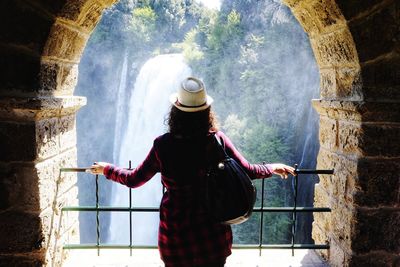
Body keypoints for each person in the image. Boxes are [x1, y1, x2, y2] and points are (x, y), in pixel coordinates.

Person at [89, 77, 295, 267]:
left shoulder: (163, 145)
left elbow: (134, 179)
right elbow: (247, 170)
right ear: (207, 111)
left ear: (176, 111)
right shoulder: (217, 140)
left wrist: (108, 169)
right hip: (212, 235)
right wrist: (271, 168)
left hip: (176, 236)